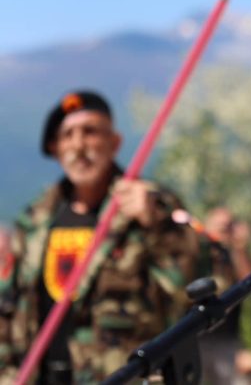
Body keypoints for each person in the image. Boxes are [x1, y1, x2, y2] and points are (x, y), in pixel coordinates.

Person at [0, 90, 202, 383]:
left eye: (90, 132)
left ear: (114, 142)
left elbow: (198, 285)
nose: (78, 145)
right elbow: (6, 307)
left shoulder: (152, 206)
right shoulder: (33, 221)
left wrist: (157, 225)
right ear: (55, 149)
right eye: (67, 135)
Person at [198, 207, 251, 385]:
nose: (222, 231)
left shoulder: (234, 254)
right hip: (195, 336)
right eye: (219, 226)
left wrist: (239, 247)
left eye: (228, 227)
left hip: (226, 339)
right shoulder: (197, 250)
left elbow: (250, 282)